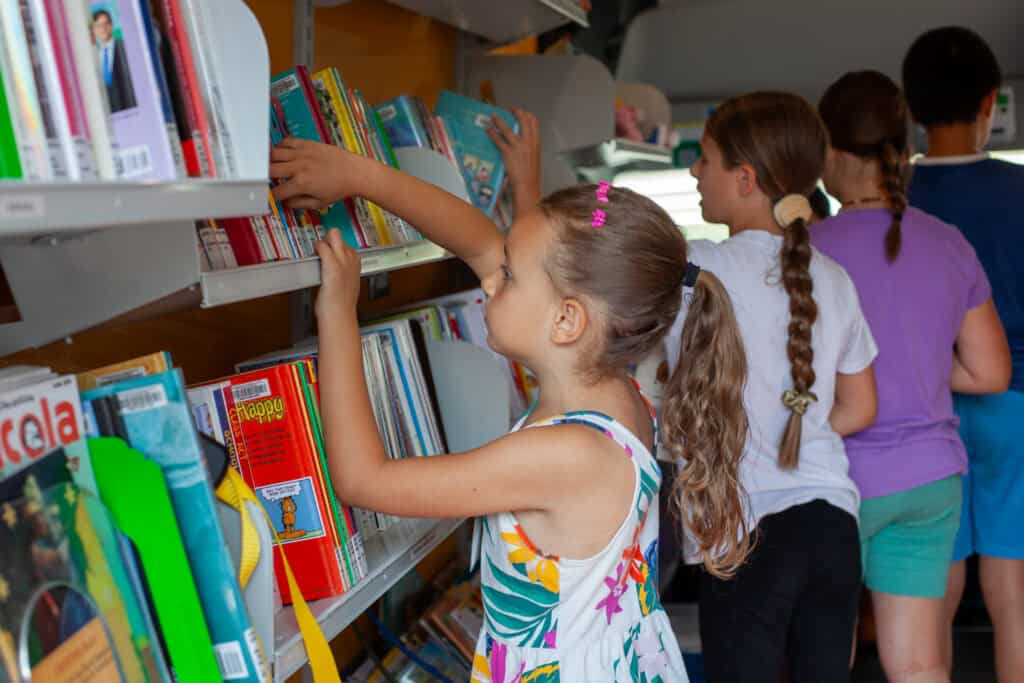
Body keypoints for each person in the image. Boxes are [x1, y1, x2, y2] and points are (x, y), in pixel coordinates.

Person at [269, 107, 750, 680]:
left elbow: (362, 480)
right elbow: (477, 240)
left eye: (508, 275)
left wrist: (338, 313)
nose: (488, 280)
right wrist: (360, 176)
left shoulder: (564, 455)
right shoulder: (613, 396)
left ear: (568, 321)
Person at [812, 70, 1010, 683]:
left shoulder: (807, 247)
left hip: (838, 483)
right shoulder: (948, 242)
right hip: (929, 481)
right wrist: (916, 364)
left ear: (831, 153)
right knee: (921, 663)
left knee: (828, 655)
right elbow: (990, 371)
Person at [677, 91, 879, 683]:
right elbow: (861, 406)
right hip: (833, 527)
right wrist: (793, 424)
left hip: (745, 535)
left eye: (705, 159)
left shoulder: (694, 269)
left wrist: (599, 193)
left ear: (744, 178)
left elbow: (596, 229)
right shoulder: (835, 278)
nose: (694, 170)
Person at [903, 27, 1024, 681]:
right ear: (989, 103)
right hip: (1018, 408)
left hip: (925, 414)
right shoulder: (1021, 190)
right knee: (1017, 594)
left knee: (931, 595)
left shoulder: (890, 202)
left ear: (911, 107)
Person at [91, 9, 136, 113]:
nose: (103, 29)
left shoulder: (125, 47)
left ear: (111, 25)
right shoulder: (93, 54)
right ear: (94, 30)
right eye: (98, 26)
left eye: (106, 24)